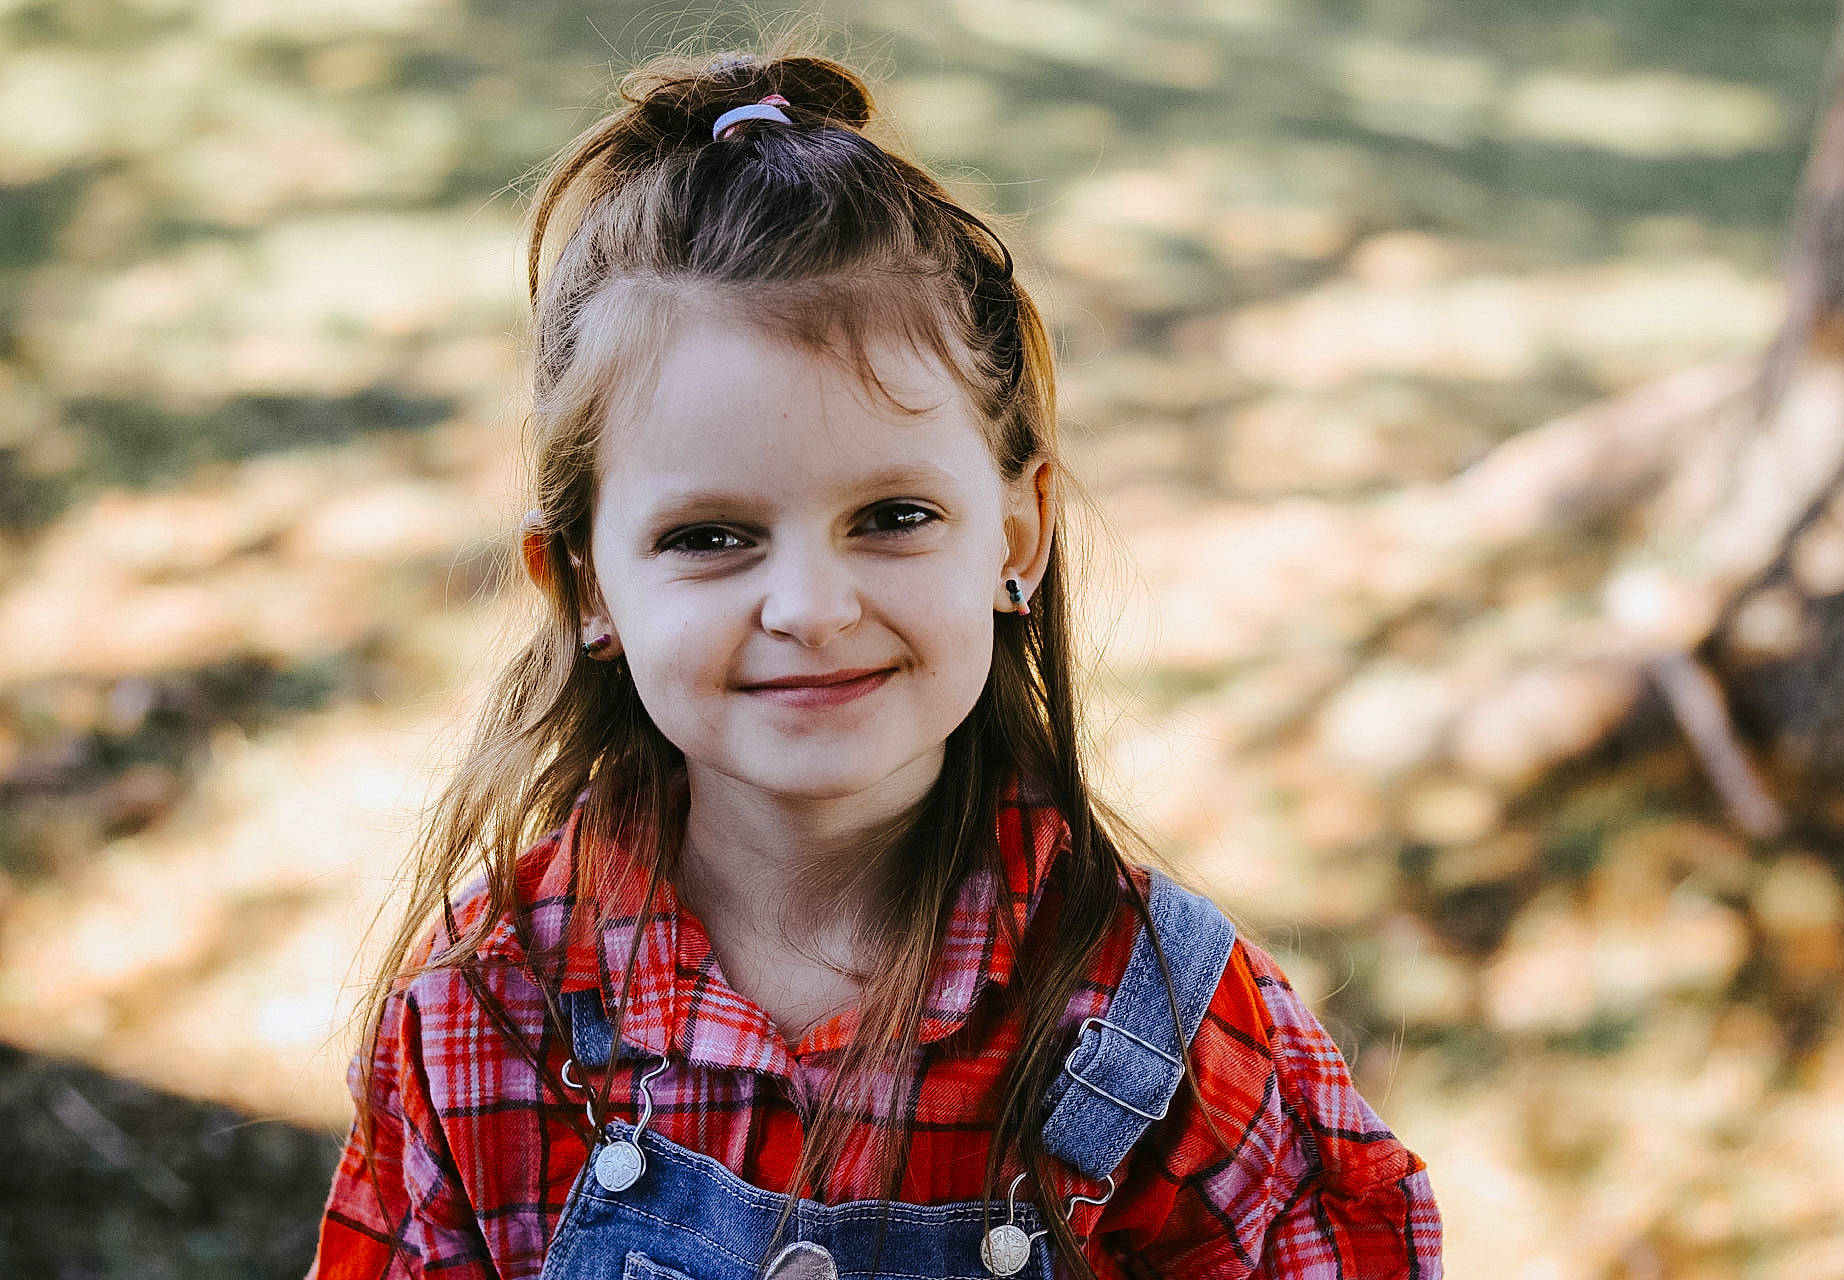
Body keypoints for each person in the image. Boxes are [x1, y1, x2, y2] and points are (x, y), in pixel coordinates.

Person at [308, 45, 1442, 1280]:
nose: (810, 605)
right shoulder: (490, 1015)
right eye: (710, 536)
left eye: (893, 516)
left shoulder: (1158, 1021)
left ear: (1017, 536)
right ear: (584, 585)